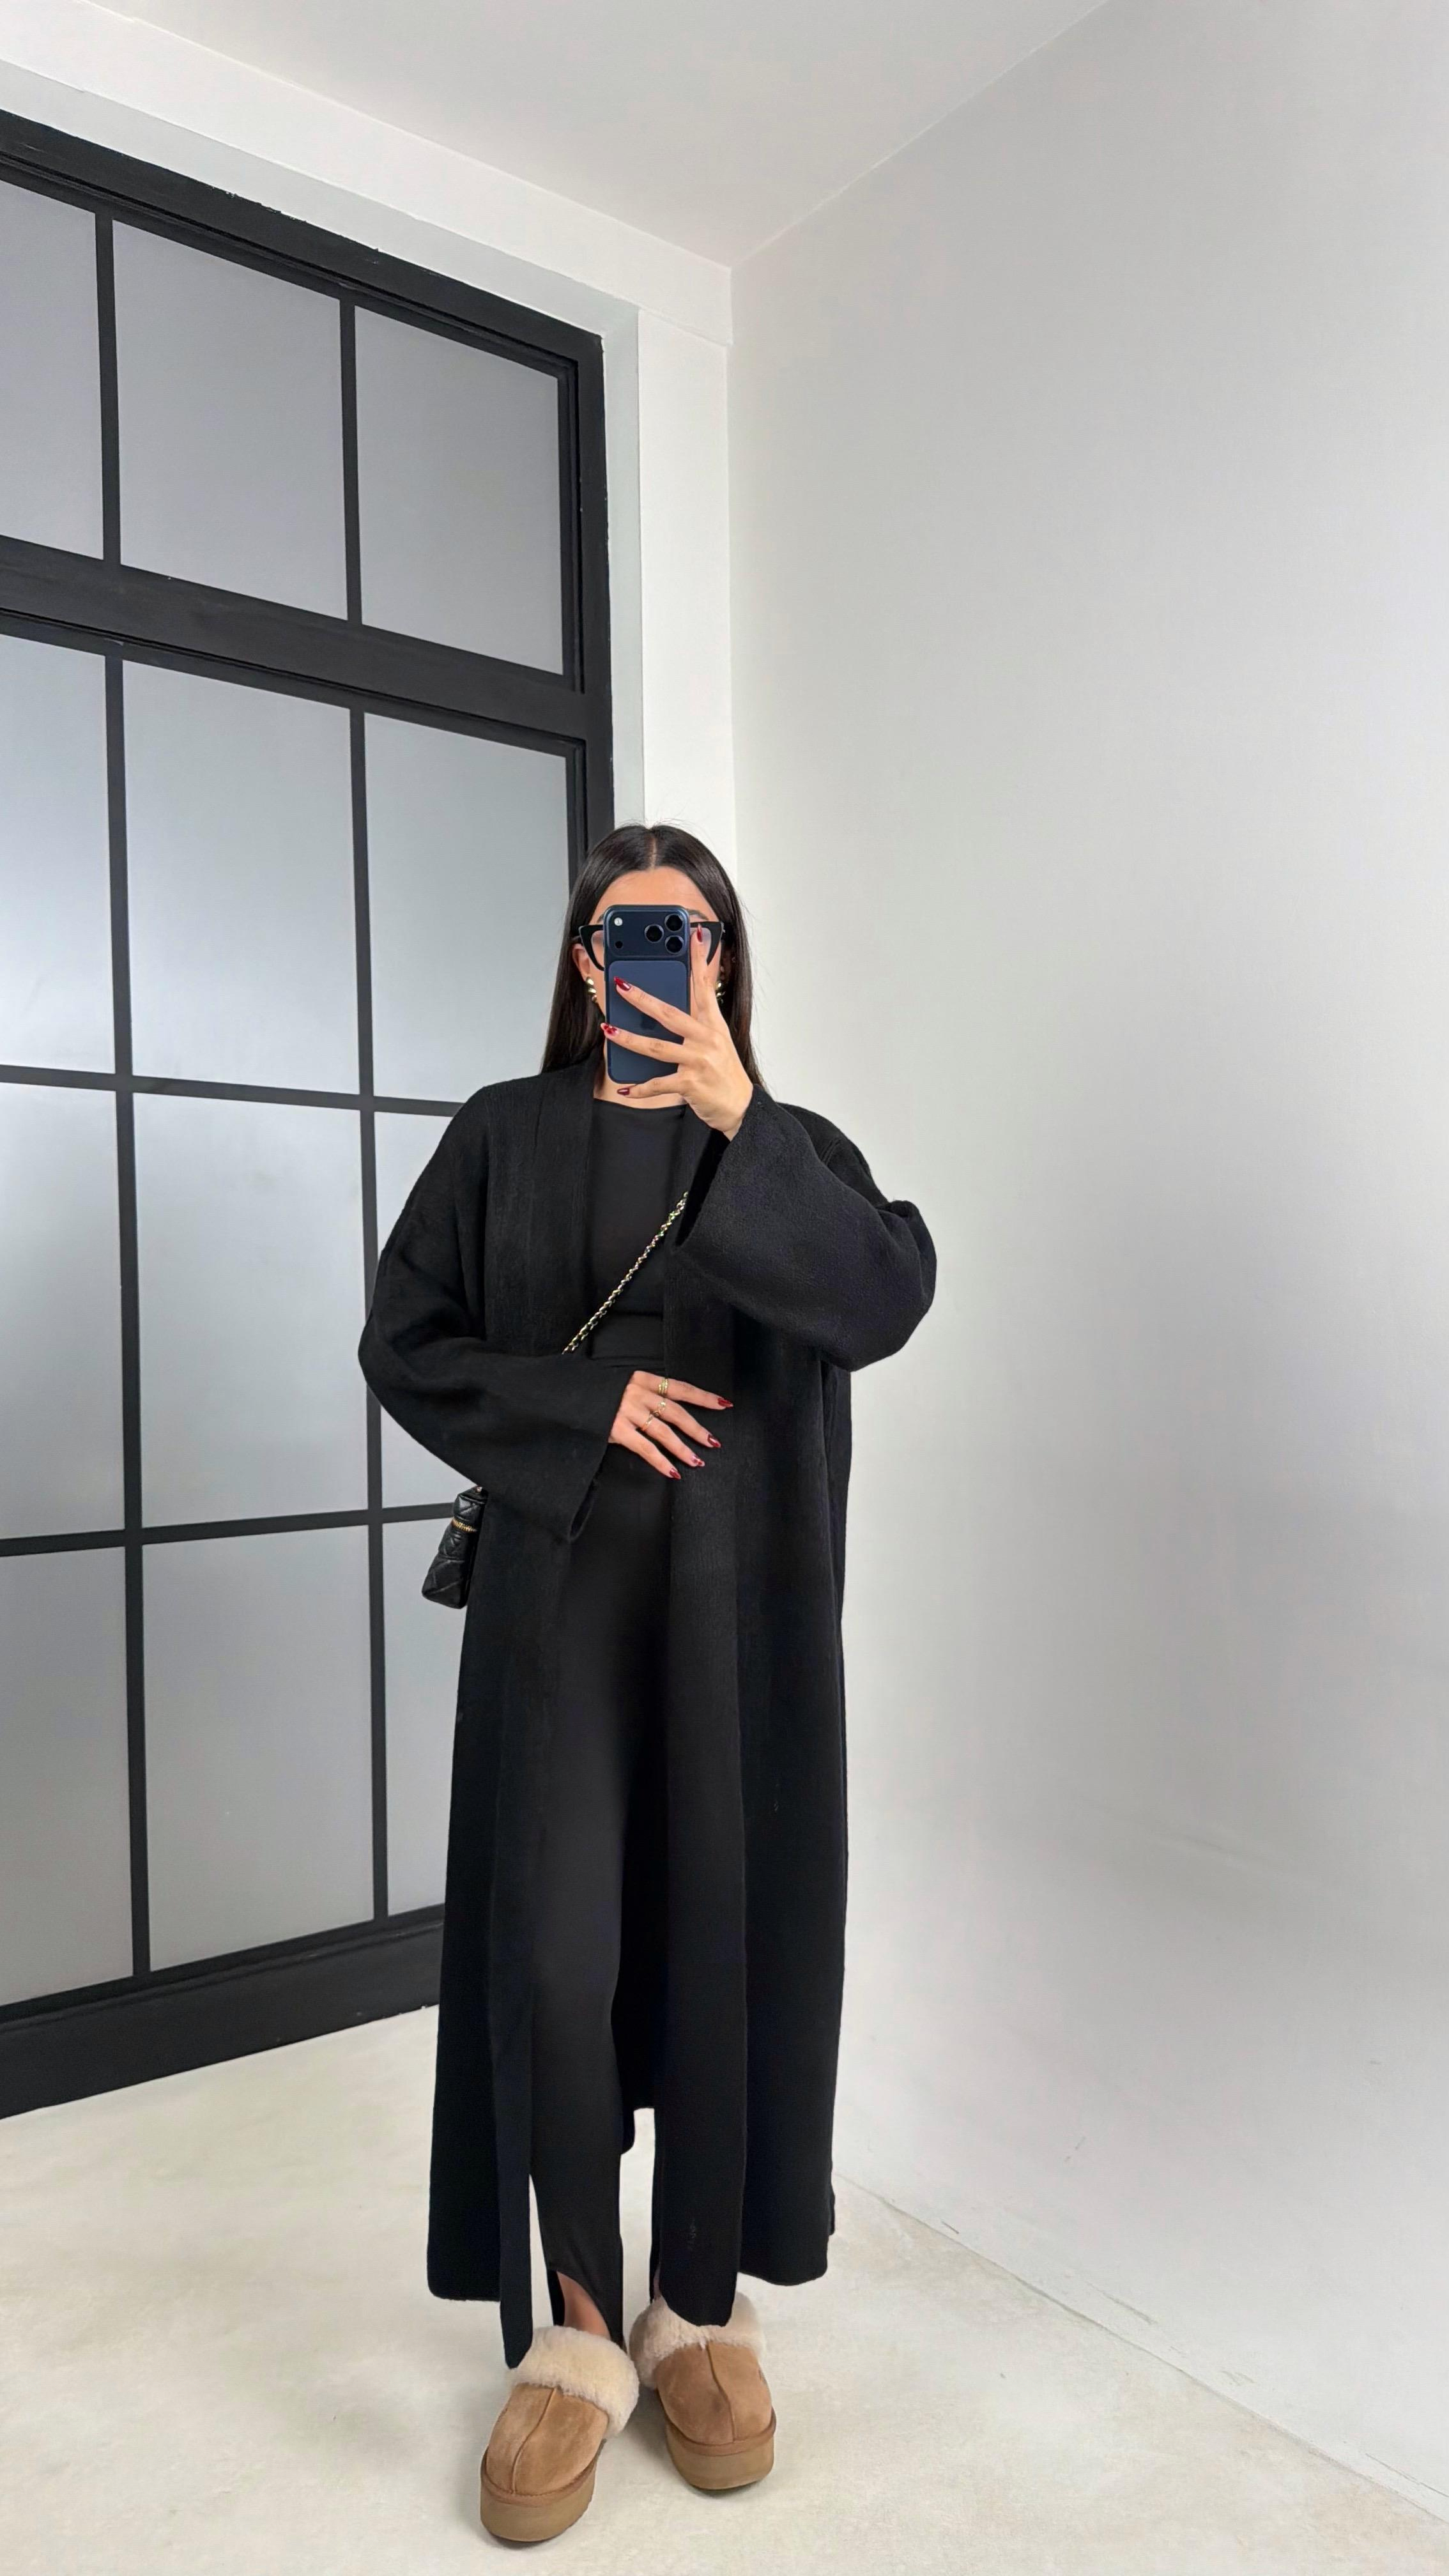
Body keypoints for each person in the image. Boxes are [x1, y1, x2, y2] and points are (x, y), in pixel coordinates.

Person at [357, 822, 936, 2543]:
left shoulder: (795, 1147)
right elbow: (407, 1340)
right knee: (556, 1958)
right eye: (627, 931)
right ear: (584, 961)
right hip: (559, 1609)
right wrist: (584, 1403)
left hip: (740, 1619)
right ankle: (579, 2334)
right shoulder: (502, 1134)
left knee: (723, 1945)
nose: (658, 955)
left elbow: (885, 1298)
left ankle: (700, 2315)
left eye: (689, 930)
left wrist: (747, 1122)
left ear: (726, 960)